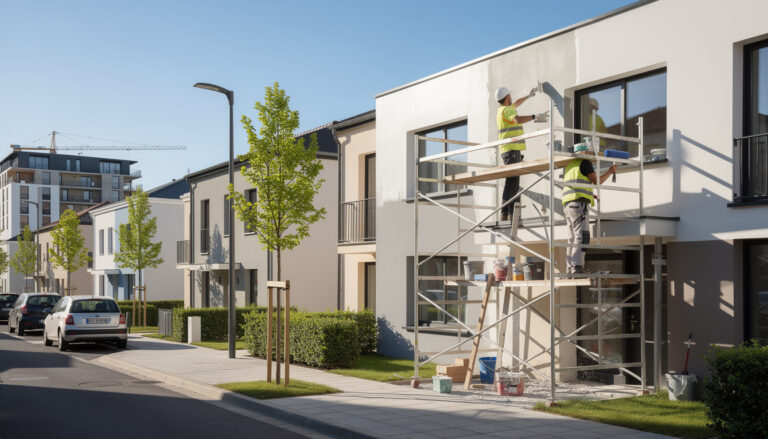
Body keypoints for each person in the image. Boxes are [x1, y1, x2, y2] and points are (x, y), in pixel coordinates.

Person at [562, 142, 617, 274]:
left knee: (572, 237)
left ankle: (569, 267)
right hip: (578, 204)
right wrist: (610, 171)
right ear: (586, 152)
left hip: (567, 204)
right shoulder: (585, 163)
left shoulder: (569, 165)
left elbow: (577, 184)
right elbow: (596, 181)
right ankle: (577, 267)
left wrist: (588, 194)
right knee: (582, 235)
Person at [495, 86, 548, 221]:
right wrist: (534, 116)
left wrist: (528, 96)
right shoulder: (506, 111)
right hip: (511, 150)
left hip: (510, 150)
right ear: (507, 97)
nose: (511, 98)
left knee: (513, 181)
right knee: (512, 181)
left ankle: (509, 213)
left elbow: (516, 103)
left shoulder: (504, 109)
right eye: (510, 96)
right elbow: (517, 120)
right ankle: (505, 212)